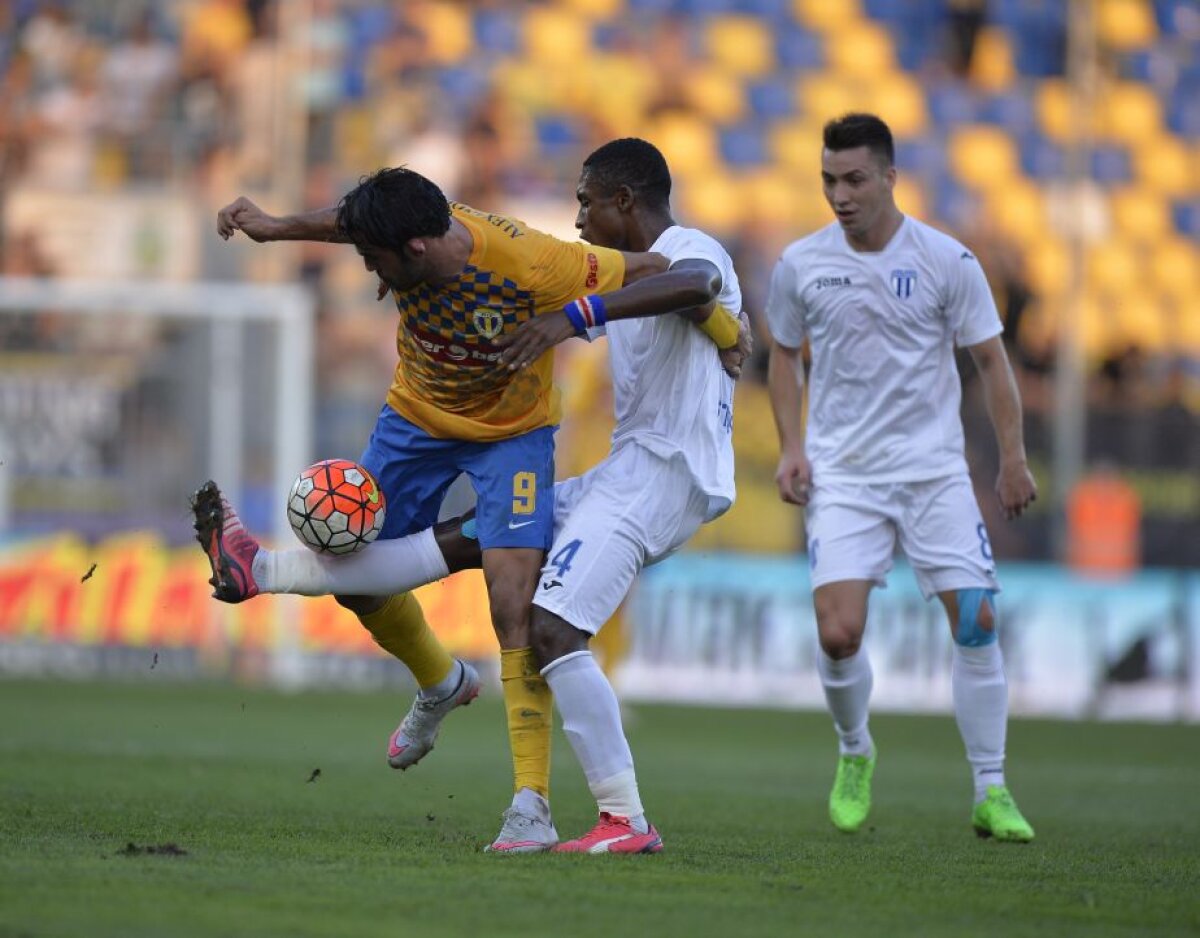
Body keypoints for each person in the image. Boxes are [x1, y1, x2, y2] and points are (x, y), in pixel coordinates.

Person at [197, 138, 747, 853]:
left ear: (622, 202)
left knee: (533, 613)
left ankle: (571, 813)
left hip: (594, 457)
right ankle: (271, 577)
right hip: (444, 424)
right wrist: (273, 225)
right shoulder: (416, 223)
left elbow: (693, 278)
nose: (575, 214)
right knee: (436, 552)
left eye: (585, 200)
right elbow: (355, 220)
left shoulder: (558, 260)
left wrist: (573, 318)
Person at [765, 113, 1038, 842]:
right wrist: (792, 445)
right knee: (840, 634)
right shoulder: (801, 265)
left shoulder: (950, 261)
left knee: (977, 618)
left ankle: (991, 788)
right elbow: (782, 356)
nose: (839, 195)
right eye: (828, 180)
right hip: (845, 476)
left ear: (890, 177)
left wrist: (1013, 458)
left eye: (854, 179)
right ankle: (856, 751)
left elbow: (992, 364)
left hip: (933, 472)